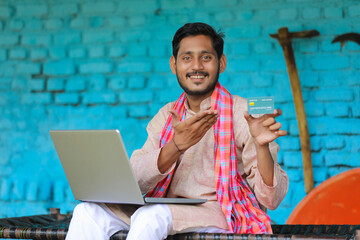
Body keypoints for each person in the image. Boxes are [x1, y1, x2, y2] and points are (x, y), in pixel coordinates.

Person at [66, 22, 289, 240]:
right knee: (87, 212)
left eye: (206, 57)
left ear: (221, 63)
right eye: (187, 58)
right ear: (174, 65)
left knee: (150, 217)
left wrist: (261, 146)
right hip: (166, 208)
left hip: (221, 211)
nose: (196, 66)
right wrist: (175, 146)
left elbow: (271, 199)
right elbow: (137, 181)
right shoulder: (166, 115)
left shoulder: (244, 114)